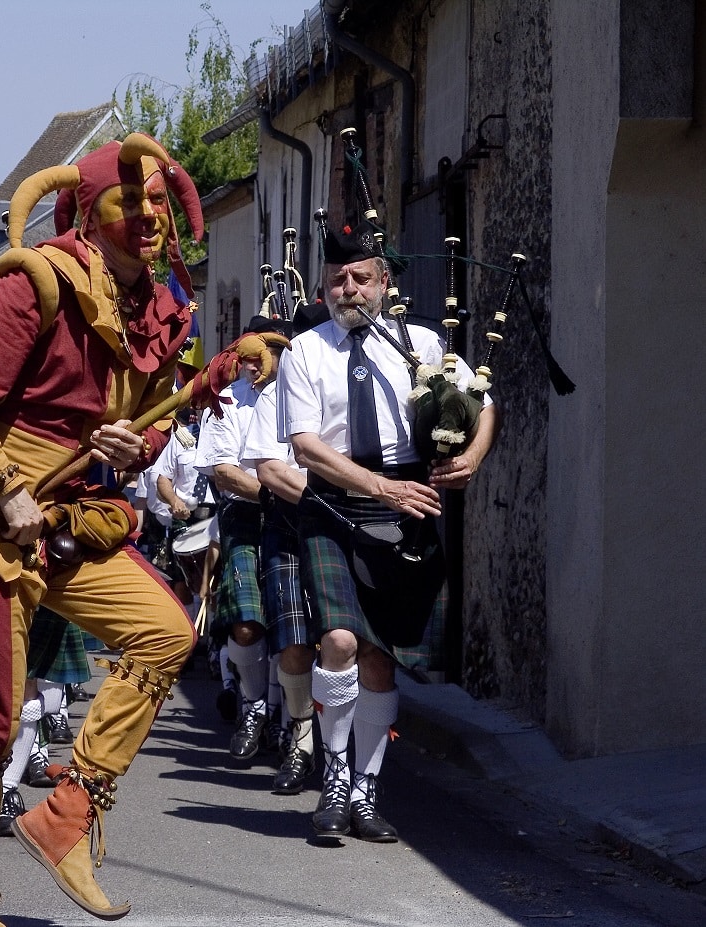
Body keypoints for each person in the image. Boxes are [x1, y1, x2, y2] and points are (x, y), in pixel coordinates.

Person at [0, 133, 202, 926]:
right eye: (127, 200)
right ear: (90, 207)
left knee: (166, 631)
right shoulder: (38, 279)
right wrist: (4, 485)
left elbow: (142, 432)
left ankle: (65, 814)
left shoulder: (164, 306)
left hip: (75, 514)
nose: (147, 215)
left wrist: (131, 444)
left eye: (156, 201)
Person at [277, 226, 498, 843]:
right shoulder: (304, 351)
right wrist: (378, 489)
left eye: (360, 278)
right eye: (336, 280)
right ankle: (336, 773)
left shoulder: (422, 343)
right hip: (336, 504)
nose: (347, 289)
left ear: (384, 282)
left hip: (409, 508)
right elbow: (305, 446)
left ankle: (367, 787)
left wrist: (473, 457)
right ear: (324, 286)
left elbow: (483, 404)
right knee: (341, 642)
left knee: (380, 659)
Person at [196, 316, 314, 783]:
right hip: (248, 512)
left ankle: (294, 727)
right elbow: (223, 471)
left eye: (266, 352)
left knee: (294, 630)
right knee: (247, 627)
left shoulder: (301, 396)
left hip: (296, 514)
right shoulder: (227, 400)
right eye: (248, 354)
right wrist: (270, 494)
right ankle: (254, 703)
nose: (255, 364)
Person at [238, 319, 319, 796]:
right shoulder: (272, 397)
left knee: (348, 646)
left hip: (353, 519)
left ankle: (342, 758)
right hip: (289, 522)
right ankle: (302, 739)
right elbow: (268, 469)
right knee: (293, 643)